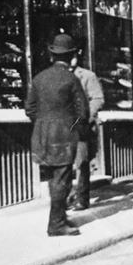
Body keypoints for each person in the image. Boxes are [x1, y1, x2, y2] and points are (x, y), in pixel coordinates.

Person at [25, 33, 89, 236]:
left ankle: (59, 217)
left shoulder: (38, 78)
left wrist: (44, 123)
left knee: (54, 178)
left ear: (52, 56)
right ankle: (56, 225)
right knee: (62, 179)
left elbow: (30, 109)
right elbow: (83, 113)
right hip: (64, 136)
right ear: (71, 56)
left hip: (41, 136)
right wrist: (73, 129)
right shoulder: (71, 79)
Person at [68, 47, 104, 211]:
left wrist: (85, 117)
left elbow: (97, 99)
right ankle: (67, 197)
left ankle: (82, 198)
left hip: (81, 127)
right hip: (61, 127)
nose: (70, 59)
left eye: (72, 55)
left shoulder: (88, 76)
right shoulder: (56, 75)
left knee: (81, 162)